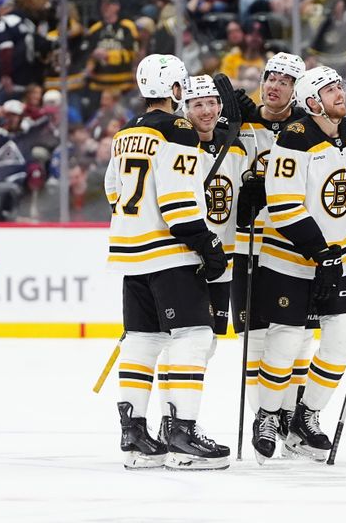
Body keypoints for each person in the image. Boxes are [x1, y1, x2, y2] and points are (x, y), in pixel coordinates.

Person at [104, 54, 229, 471]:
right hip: (170, 253)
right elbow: (178, 203)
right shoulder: (179, 129)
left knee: (142, 340)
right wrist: (208, 245)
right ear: (176, 91)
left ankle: (135, 435)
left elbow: (111, 189)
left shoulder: (125, 133)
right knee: (193, 336)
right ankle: (182, 433)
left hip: (130, 252)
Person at [250, 65, 346, 464]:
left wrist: (336, 247)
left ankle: (305, 416)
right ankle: (268, 416)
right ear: (312, 101)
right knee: (286, 339)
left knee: (341, 340)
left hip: (339, 260)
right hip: (290, 258)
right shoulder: (294, 139)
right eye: (331, 89)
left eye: (340, 86)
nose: (341, 93)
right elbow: (283, 205)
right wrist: (320, 251)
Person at [156, 74, 248, 443]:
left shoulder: (236, 149)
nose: (206, 110)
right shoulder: (179, 146)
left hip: (222, 261)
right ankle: (173, 420)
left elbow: (242, 199)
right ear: (184, 108)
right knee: (184, 341)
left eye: (212, 102)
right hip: (185, 258)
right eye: (197, 104)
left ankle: (175, 420)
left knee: (205, 344)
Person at [232, 52, 314, 452]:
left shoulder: (307, 127)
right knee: (258, 338)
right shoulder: (241, 121)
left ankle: (288, 413)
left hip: (289, 245)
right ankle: (266, 419)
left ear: (297, 89)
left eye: (285, 80)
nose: (275, 85)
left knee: (297, 340)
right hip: (246, 246)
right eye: (270, 78)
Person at [85, 0, 139, 100]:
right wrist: (91, 61)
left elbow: (133, 53)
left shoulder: (127, 27)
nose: (105, 8)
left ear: (117, 7)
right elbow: (88, 53)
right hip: (99, 86)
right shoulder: (94, 29)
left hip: (123, 86)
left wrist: (108, 55)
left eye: (109, 5)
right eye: (103, 5)